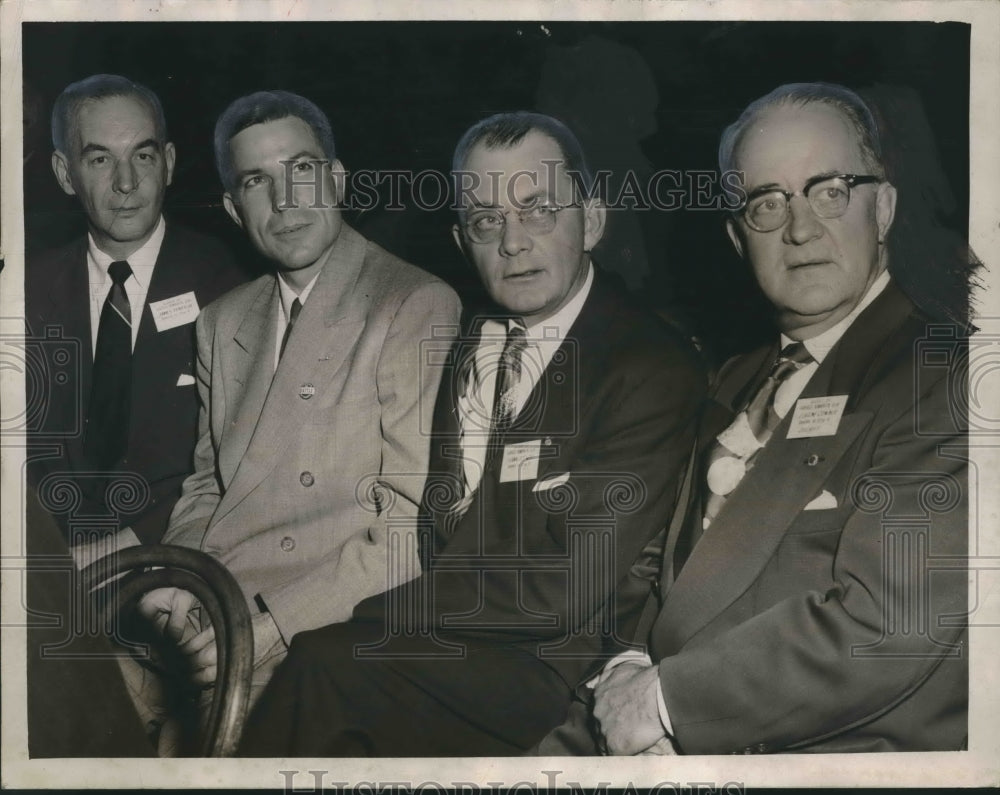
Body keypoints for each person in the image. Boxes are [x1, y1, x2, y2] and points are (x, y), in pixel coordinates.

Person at [238, 111, 706, 756]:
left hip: (558, 663)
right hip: (454, 640)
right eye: (488, 221)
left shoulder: (648, 365)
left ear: (591, 221)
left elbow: (563, 589)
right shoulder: (467, 343)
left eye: (538, 210)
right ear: (463, 242)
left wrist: (368, 614)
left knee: (325, 667)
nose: (512, 242)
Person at [538, 82, 968, 756]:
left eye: (829, 191)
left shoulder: (945, 375)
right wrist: (625, 661)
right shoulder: (734, 378)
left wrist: (666, 702)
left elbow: (891, 627)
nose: (800, 228)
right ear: (739, 238)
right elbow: (664, 567)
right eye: (768, 203)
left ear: (881, 207)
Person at [139, 91, 461, 709]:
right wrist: (177, 579)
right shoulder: (221, 321)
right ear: (235, 209)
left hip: (317, 620)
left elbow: (407, 528)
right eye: (258, 181)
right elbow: (208, 486)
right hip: (213, 597)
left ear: (337, 179)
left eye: (303, 170)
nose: (285, 202)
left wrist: (266, 632)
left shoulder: (411, 303)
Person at [25, 74, 244, 561]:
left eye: (142, 156)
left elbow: (239, 470)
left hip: (181, 567)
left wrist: (124, 553)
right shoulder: (24, 292)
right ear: (65, 174)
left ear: (167, 163)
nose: (126, 183)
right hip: (47, 576)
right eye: (100, 159)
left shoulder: (231, 285)